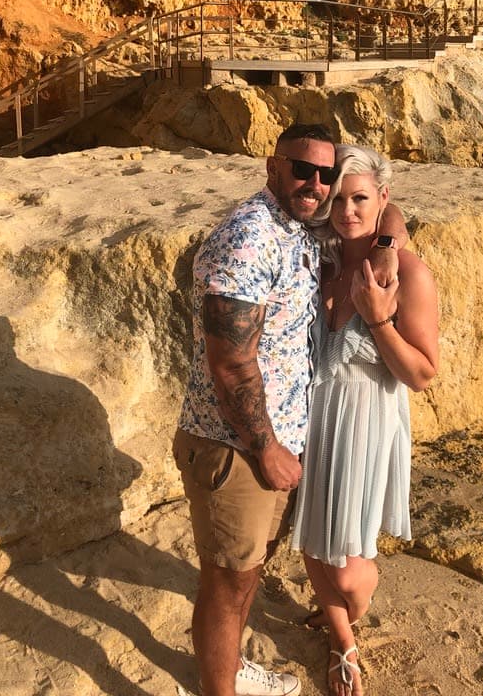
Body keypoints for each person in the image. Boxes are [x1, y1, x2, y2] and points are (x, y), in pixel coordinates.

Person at [173, 125, 407, 696]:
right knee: (228, 584)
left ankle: (224, 671)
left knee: (245, 572)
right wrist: (268, 449)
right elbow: (230, 364)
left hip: (273, 443)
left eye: (327, 175)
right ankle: (217, 689)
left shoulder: (300, 229)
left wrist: (386, 245)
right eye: (303, 169)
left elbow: (388, 204)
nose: (317, 184)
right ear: (272, 167)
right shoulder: (250, 237)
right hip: (239, 447)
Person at [290, 144, 439, 696]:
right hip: (309, 416)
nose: (348, 211)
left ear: (383, 198)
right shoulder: (321, 256)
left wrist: (379, 322)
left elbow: (422, 374)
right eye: (339, 198)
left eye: (362, 199)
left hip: (366, 424)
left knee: (349, 569)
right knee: (311, 538)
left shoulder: (407, 275)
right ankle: (341, 640)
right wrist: (384, 235)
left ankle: (351, 610)